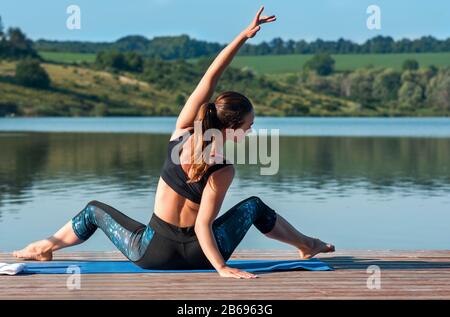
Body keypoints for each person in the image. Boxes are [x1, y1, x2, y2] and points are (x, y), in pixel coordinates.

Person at [13, 6, 334, 279]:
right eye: (249, 126)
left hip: (151, 253)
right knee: (254, 207)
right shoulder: (223, 168)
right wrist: (220, 267)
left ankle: (44, 246)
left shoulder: (181, 133)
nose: (251, 132)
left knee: (94, 210)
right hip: (199, 255)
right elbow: (204, 226)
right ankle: (306, 244)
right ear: (232, 126)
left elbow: (210, 78)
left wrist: (242, 37)